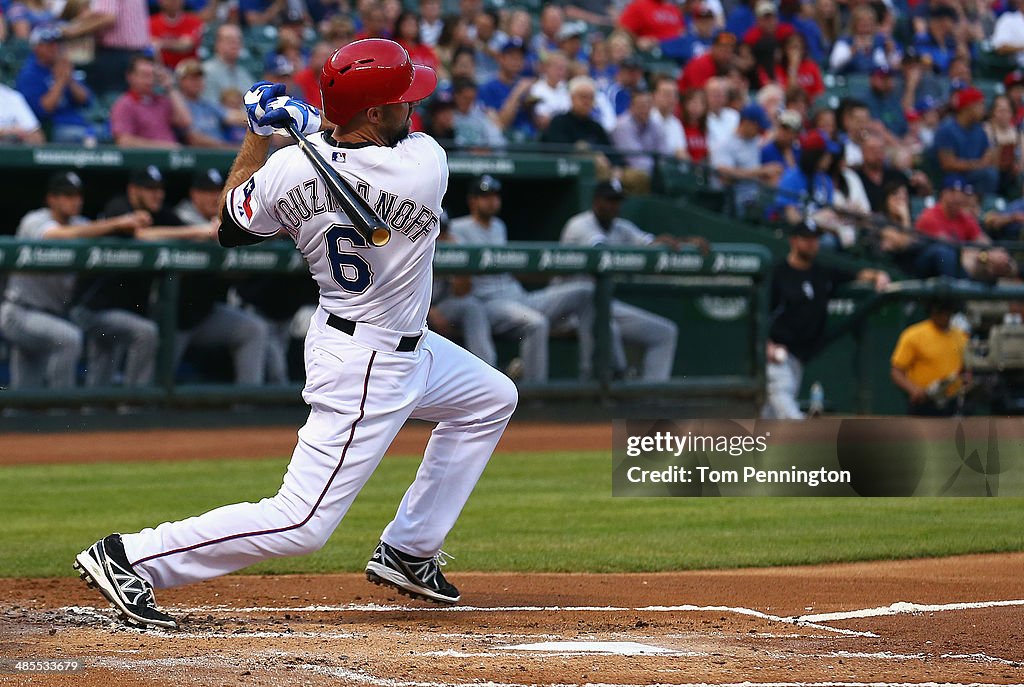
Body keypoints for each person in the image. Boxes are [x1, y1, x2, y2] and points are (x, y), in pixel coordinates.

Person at [74, 39, 518, 629]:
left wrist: (261, 134)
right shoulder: (424, 163)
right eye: (400, 102)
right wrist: (310, 124)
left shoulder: (291, 168)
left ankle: (408, 550)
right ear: (378, 114)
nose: (413, 110)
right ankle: (132, 557)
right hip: (366, 362)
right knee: (302, 522)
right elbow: (353, 144)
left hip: (402, 343)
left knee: (491, 398)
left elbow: (231, 223)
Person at [0, 172, 149, 390]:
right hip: (20, 312)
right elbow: (56, 235)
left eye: (77, 195)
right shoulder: (35, 220)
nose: (74, 200)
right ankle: (63, 413)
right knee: (69, 339)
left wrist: (121, 226)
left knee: (25, 393)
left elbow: (94, 233)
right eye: (67, 195)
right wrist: (115, 223)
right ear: (52, 199)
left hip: (53, 315)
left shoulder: (82, 223)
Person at [72, 166, 212, 389]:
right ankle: (132, 404)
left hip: (120, 309)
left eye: (159, 189)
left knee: (102, 371)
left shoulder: (161, 213)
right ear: (133, 190)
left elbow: (196, 231)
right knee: (145, 333)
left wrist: (208, 229)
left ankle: (95, 414)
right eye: (149, 189)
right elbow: (140, 235)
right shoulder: (118, 206)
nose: (157, 194)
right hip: (91, 308)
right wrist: (196, 232)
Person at [449, 175, 595, 382]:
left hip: (518, 297)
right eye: (485, 196)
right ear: (472, 200)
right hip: (490, 304)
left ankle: (591, 375)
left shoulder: (499, 226)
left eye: (495, 195)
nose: (492, 201)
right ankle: (534, 394)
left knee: (584, 292)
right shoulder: (457, 228)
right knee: (536, 323)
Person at [762, 221, 889, 419]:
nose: (812, 244)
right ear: (793, 241)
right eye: (807, 239)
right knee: (784, 403)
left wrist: (878, 276)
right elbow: (761, 313)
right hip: (778, 351)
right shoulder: (778, 273)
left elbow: (856, 274)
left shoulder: (821, 272)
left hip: (800, 354)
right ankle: (805, 439)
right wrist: (766, 344)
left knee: (770, 414)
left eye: (815, 239)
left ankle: (751, 445)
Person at [559, 179, 681, 381]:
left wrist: (680, 243)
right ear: (596, 201)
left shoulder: (621, 228)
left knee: (664, 332)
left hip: (604, 306)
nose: (614, 206)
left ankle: (651, 400)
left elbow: (650, 243)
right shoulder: (579, 225)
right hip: (570, 308)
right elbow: (602, 252)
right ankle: (616, 385)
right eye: (609, 200)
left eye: (617, 201)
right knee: (609, 328)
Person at [167, 168, 269, 386]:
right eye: (206, 191)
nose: (213, 197)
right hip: (170, 319)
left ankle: (247, 405)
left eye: (217, 191)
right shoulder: (177, 216)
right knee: (159, 379)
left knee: (252, 329)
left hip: (204, 314)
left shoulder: (224, 218)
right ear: (193, 194)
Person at [914, 175, 1017, 282]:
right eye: (952, 191)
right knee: (949, 255)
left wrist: (998, 256)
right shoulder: (930, 216)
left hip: (958, 262)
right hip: (927, 266)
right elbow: (950, 247)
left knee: (1002, 260)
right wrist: (984, 256)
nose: (957, 197)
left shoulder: (964, 217)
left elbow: (985, 242)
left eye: (961, 192)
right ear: (943, 193)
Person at [428, 209, 497, 368]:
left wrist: (458, 260)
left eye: (443, 231)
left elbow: (462, 292)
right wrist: (429, 311)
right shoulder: (414, 248)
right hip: (414, 309)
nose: (441, 236)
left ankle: (486, 369)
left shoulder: (454, 245)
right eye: (437, 231)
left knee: (472, 306)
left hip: (442, 305)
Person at [16, 26, 95, 145]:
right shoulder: (29, 75)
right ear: (37, 47)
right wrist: (60, 81)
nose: (55, 48)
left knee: (102, 133)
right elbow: (43, 110)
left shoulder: (64, 66)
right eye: (49, 45)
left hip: (79, 123)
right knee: (81, 137)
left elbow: (86, 100)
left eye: (57, 44)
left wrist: (70, 80)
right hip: (52, 127)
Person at [891, 298, 968, 416]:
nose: (944, 316)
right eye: (940, 312)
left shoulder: (961, 337)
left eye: (947, 312)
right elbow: (896, 371)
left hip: (952, 402)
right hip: (925, 401)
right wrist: (913, 390)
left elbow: (965, 370)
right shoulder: (914, 335)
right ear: (932, 312)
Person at [711, 103, 779, 217]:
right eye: (757, 127)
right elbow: (724, 175)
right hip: (732, 202)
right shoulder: (725, 144)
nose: (759, 131)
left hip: (755, 197)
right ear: (746, 123)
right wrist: (760, 172)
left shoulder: (754, 140)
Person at [109, 55, 191, 148]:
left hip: (171, 158)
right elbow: (123, 141)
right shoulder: (124, 104)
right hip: (146, 159)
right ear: (130, 77)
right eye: (144, 75)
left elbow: (185, 121)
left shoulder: (162, 101)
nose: (149, 81)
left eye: (152, 75)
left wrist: (170, 86)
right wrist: (163, 147)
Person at [202, 24, 256, 104]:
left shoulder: (243, 73)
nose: (235, 44)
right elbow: (209, 108)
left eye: (238, 40)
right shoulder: (206, 71)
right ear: (218, 44)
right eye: (230, 40)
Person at [149, 0, 203, 70]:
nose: (173, 1)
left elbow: (186, 45)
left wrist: (161, 43)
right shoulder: (150, 22)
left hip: (188, 71)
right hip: (162, 70)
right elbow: (151, 45)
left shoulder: (194, 21)